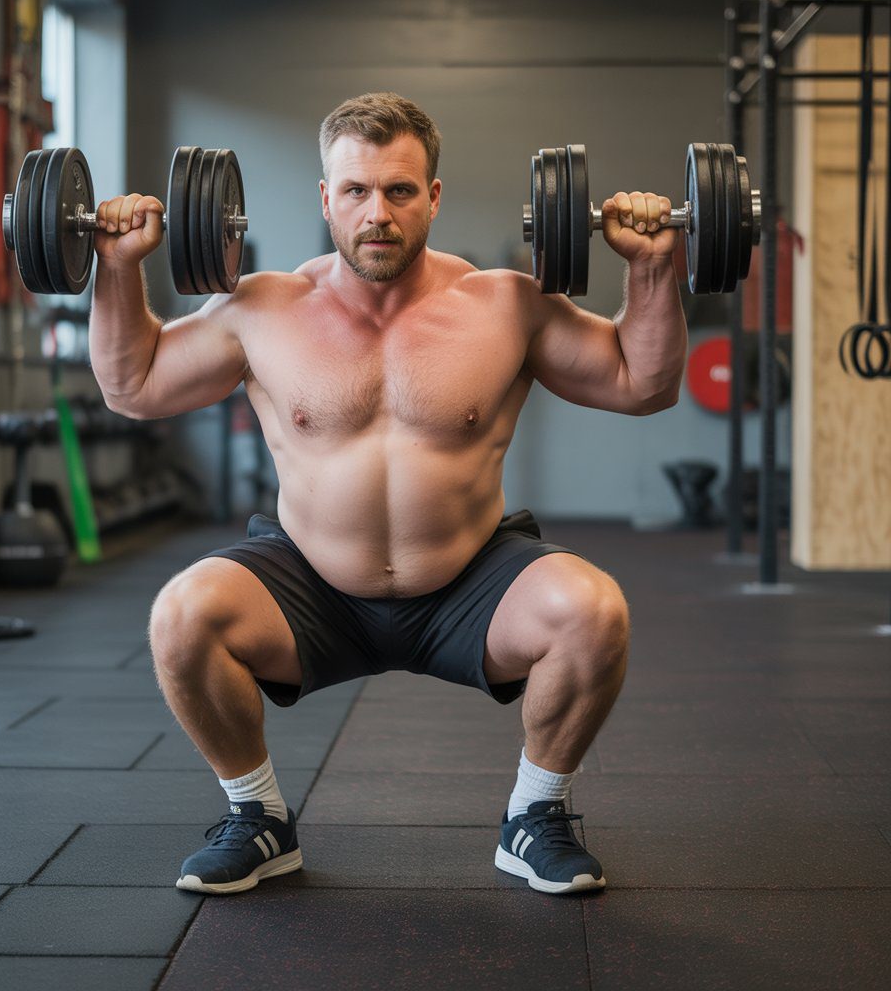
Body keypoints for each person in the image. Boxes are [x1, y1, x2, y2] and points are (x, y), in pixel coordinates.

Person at [89, 92, 685, 896]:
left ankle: (534, 817)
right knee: (182, 613)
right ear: (325, 198)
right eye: (357, 191)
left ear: (432, 196)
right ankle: (257, 817)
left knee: (594, 609)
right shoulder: (261, 309)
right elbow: (133, 386)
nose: (378, 213)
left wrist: (653, 266)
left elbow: (641, 384)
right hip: (310, 587)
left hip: (469, 583)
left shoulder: (506, 304)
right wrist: (118, 268)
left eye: (400, 191)